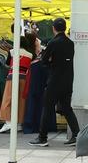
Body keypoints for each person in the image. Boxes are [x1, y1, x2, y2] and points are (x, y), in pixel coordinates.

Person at [29, 18, 80, 147]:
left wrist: (51, 61)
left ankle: (42, 138)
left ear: (53, 28)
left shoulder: (53, 42)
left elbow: (44, 60)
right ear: (65, 27)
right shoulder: (70, 43)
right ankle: (76, 135)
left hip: (55, 80)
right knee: (67, 108)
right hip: (68, 80)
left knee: (47, 107)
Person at [0, 32, 39, 134]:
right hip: (24, 78)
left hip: (12, 77)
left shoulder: (12, 52)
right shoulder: (30, 55)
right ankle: (19, 123)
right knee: (21, 101)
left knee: (8, 99)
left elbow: (7, 64)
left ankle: (8, 122)